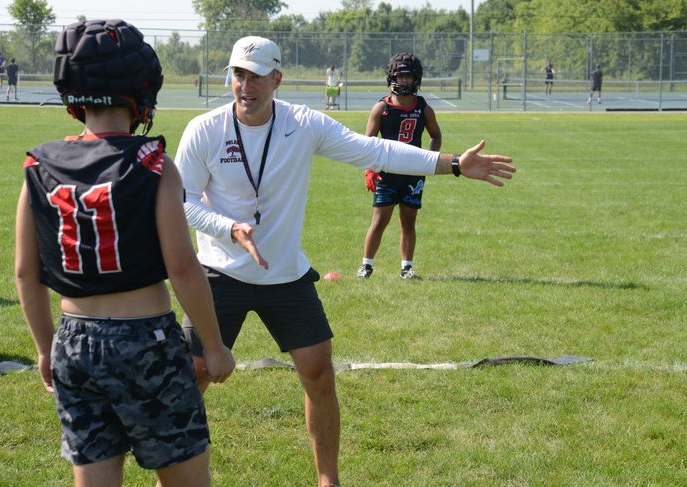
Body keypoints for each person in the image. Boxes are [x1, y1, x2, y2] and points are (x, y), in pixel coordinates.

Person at [174, 35, 514, 487]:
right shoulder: (204, 129)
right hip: (218, 272)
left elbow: (377, 151)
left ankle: (328, 481)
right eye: (238, 74)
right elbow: (181, 202)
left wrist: (451, 164)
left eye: (256, 76)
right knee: (191, 376)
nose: (245, 85)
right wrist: (228, 228)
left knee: (318, 373)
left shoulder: (303, 124)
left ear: (277, 79)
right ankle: (174, 478)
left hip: (285, 275)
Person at [14, 19, 235, 487]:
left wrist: (44, 348)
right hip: (144, 339)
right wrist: (213, 347)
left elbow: (24, 273)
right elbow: (181, 266)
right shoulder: (153, 163)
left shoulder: (38, 166)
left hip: (73, 339)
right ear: (141, 89)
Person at [357, 53, 442, 279]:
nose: (404, 81)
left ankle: (406, 267)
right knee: (379, 220)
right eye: (400, 76)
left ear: (416, 79)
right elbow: (368, 143)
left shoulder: (423, 108)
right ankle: (366, 265)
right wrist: (369, 169)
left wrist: (430, 162)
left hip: (414, 173)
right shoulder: (381, 108)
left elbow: (436, 135)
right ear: (392, 78)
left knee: (408, 221)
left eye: (408, 77)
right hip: (387, 172)